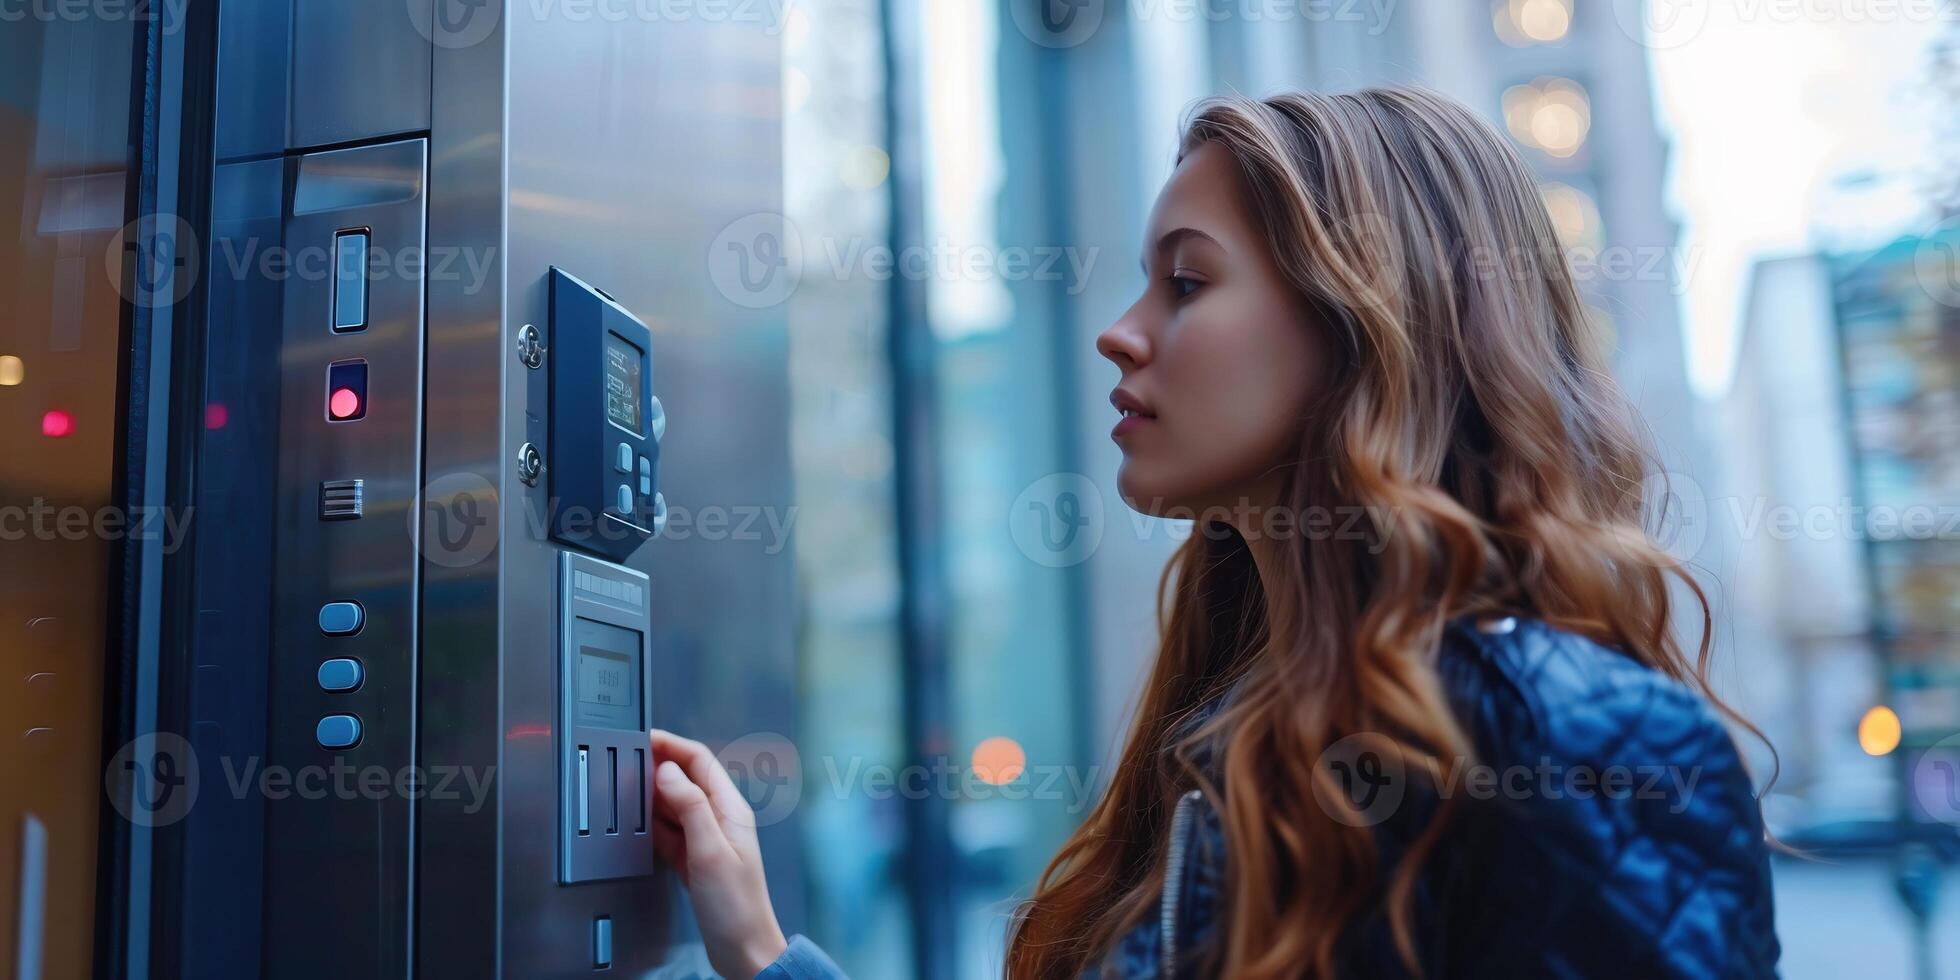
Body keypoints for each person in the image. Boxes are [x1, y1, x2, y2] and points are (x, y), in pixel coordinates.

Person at [646, 86, 1782, 979]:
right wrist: (757, 944)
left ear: (1364, 324)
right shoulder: (1219, 741)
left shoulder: (1582, 744)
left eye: (1186, 282)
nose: (1118, 333)